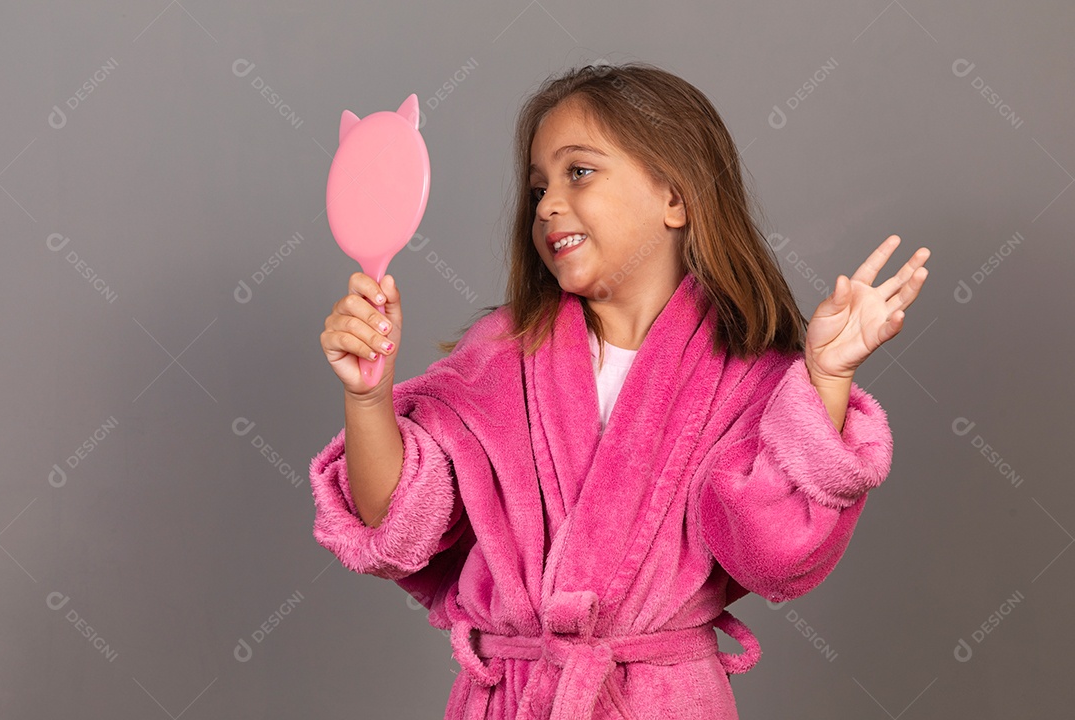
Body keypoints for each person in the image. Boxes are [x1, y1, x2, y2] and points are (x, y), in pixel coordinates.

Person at [311, 61, 929, 720]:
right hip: (514, 699)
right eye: (538, 186)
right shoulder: (498, 357)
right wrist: (368, 396)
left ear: (676, 197)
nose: (548, 203)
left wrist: (826, 379)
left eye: (579, 172)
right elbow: (395, 528)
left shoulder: (747, 377)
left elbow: (773, 557)